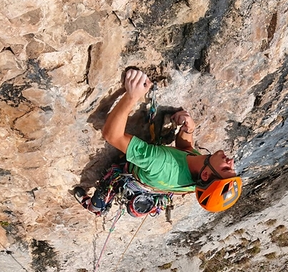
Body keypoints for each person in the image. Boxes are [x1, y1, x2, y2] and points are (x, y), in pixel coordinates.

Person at [76, 69, 242, 213]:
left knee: (104, 192)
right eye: (232, 169)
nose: (231, 161)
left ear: (205, 175)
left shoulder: (161, 162)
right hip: (154, 181)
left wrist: (132, 96)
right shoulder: (200, 176)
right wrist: (188, 130)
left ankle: (93, 207)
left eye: (226, 168)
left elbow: (112, 135)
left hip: (137, 173)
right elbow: (186, 150)